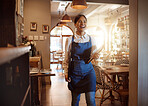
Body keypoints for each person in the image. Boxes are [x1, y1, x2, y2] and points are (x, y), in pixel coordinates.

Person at [63, 14, 103, 106]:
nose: (82, 23)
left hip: (89, 73)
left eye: (84, 21)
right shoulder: (70, 40)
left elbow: (95, 55)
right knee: (75, 101)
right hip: (75, 74)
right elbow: (66, 58)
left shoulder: (92, 39)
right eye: (80, 21)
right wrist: (66, 72)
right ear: (75, 24)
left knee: (91, 101)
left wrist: (97, 56)